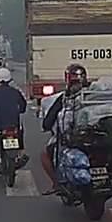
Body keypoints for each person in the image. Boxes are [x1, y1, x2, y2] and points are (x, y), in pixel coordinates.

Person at [40, 63, 89, 194]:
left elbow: (48, 121)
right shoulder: (93, 94)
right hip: (94, 137)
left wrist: (46, 126)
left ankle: (57, 184)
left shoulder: (64, 98)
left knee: (45, 155)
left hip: (72, 138)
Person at [0, 67, 27, 161]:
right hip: (14, 123)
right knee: (20, 131)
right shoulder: (15, 92)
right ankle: (21, 152)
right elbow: (23, 106)